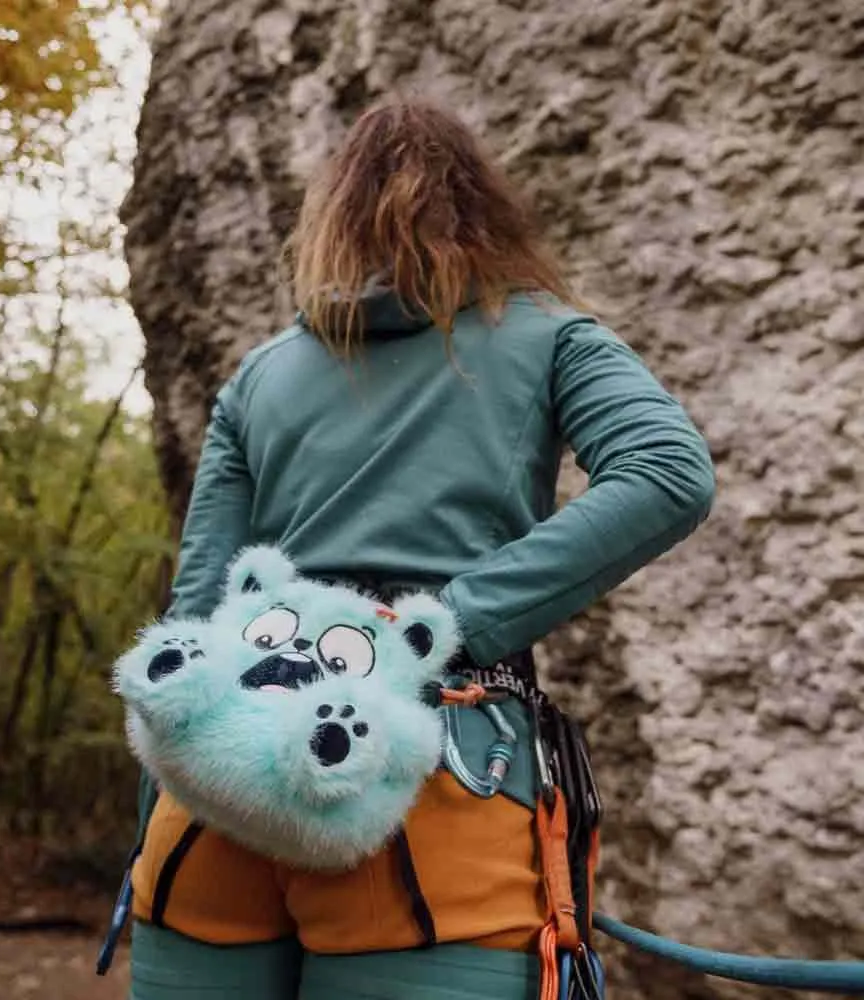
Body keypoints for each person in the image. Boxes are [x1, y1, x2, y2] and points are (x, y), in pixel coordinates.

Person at [125, 97, 715, 1000]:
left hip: (217, 792)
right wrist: (448, 624)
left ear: (332, 218)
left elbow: (199, 606)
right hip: (434, 783)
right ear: (486, 210)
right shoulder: (552, 334)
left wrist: (161, 800)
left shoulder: (259, 375)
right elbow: (667, 471)